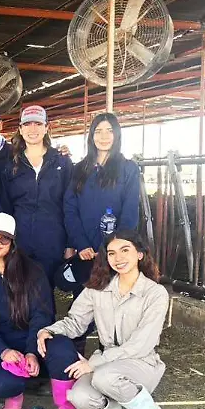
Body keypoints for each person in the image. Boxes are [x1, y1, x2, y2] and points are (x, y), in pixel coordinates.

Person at [38, 230, 168, 409]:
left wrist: (94, 363)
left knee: (103, 377)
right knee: (78, 396)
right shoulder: (98, 289)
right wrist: (49, 330)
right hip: (107, 362)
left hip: (141, 362)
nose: (118, 258)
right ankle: (113, 406)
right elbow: (76, 322)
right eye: (111, 253)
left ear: (140, 254)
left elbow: (141, 344)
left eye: (125, 250)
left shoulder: (155, 293)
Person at [0, 213, 80, 409]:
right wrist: (3, 351)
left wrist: (31, 351)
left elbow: (42, 314)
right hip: (3, 347)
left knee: (63, 350)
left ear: (13, 242)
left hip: (36, 340)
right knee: (3, 384)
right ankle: (15, 396)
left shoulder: (33, 270)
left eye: (4, 238)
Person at [63, 112, 141, 289]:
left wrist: (111, 248)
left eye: (109, 131)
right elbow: (70, 209)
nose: (103, 137)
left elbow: (130, 213)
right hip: (85, 252)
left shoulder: (128, 169)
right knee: (84, 300)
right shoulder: (80, 169)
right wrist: (80, 244)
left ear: (117, 135)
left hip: (114, 253)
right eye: (98, 131)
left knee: (113, 299)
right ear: (91, 136)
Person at [0, 105, 74, 282]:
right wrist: (5, 241)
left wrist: (70, 244)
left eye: (38, 124)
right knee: (19, 292)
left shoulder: (62, 163)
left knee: (46, 291)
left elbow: (70, 206)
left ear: (47, 127)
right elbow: (5, 207)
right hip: (20, 241)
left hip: (52, 241)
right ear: (20, 129)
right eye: (28, 124)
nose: (33, 129)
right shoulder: (10, 165)